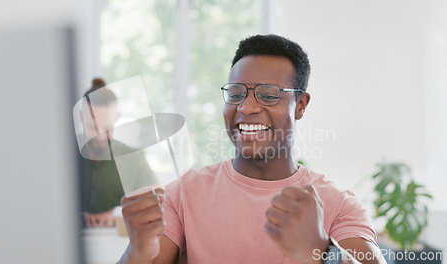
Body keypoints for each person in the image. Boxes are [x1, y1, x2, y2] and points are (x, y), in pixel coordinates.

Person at [118, 35, 386, 263]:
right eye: (236, 94)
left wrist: (322, 251)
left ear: (301, 104)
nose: (246, 107)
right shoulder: (182, 195)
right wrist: (137, 254)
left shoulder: (338, 205)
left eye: (268, 95)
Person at [78, 78, 154, 227]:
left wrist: (117, 213)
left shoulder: (133, 157)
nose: (100, 137)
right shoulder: (59, 156)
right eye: (93, 127)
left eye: (107, 129)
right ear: (81, 117)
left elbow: (154, 199)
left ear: (117, 117)